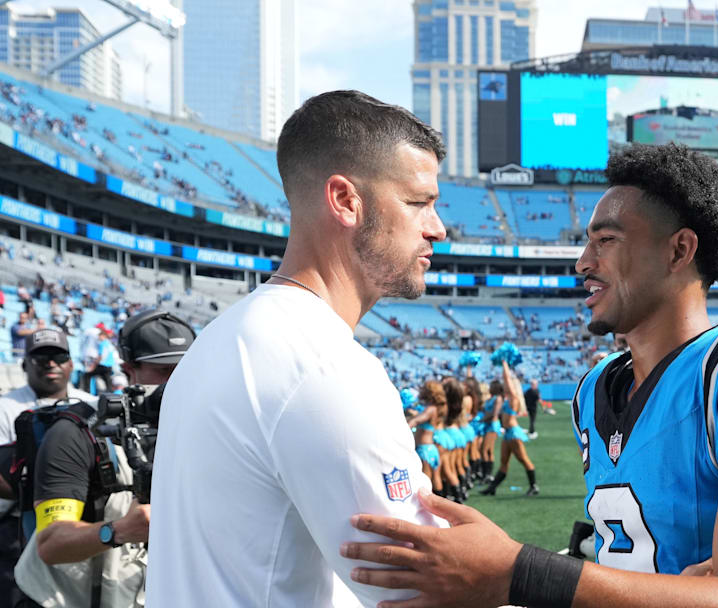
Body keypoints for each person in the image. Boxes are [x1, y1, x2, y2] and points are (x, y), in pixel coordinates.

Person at [340, 143, 718, 608]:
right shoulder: (596, 388)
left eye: (606, 240)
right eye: (587, 242)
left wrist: (519, 572)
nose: (583, 262)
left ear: (678, 251)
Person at [146, 90, 450, 607]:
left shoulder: (225, 337)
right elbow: (427, 591)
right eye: (418, 202)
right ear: (346, 200)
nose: (437, 229)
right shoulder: (322, 364)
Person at [14, 310, 194, 607]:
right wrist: (120, 530)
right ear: (127, 369)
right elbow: (51, 543)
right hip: (60, 600)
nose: (176, 380)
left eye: (186, 368)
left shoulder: (199, 428)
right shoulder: (75, 432)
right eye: (163, 370)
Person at [0, 328, 92, 607]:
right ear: (25, 364)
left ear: (71, 363)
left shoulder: (89, 404)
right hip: (18, 528)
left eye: (58, 356)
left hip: (82, 518)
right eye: (40, 357)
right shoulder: (6, 407)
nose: (50, 363)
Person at [479, 363, 538, 497]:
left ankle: (534, 486)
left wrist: (504, 364)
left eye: (508, 385)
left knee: (524, 459)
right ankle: (492, 488)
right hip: (508, 434)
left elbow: (507, 381)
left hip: (513, 433)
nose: (505, 386)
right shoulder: (507, 399)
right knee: (504, 462)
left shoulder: (514, 399)